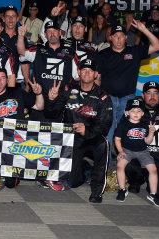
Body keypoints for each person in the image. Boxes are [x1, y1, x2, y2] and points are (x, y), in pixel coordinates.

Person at [44, 58, 113, 202]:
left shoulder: (103, 97)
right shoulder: (68, 90)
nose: (87, 73)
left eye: (90, 71)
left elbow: (105, 126)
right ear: (79, 73)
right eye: (84, 70)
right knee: (74, 182)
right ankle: (86, 169)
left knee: (104, 144)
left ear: (96, 74)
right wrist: (51, 99)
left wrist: (87, 129)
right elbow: (52, 114)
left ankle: (97, 191)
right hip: (72, 139)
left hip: (93, 137)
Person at [96, 22, 159, 166]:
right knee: (107, 133)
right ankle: (104, 168)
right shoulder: (102, 54)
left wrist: (144, 29)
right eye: (115, 36)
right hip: (109, 100)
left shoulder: (134, 52)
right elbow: (97, 78)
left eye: (121, 36)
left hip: (129, 101)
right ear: (110, 38)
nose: (118, 39)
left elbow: (158, 46)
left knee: (130, 134)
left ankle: (127, 170)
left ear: (126, 37)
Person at [114, 98, 159, 206]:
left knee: (153, 170)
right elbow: (117, 139)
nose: (136, 113)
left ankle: (153, 194)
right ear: (127, 112)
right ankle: (122, 189)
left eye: (139, 111)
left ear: (142, 113)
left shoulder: (145, 124)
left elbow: (148, 141)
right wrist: (120, 151)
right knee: (120, 166)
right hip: (127, 150)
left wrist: (151, 133)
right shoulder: (123, 124)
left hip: (143, 151)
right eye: (133, 111)